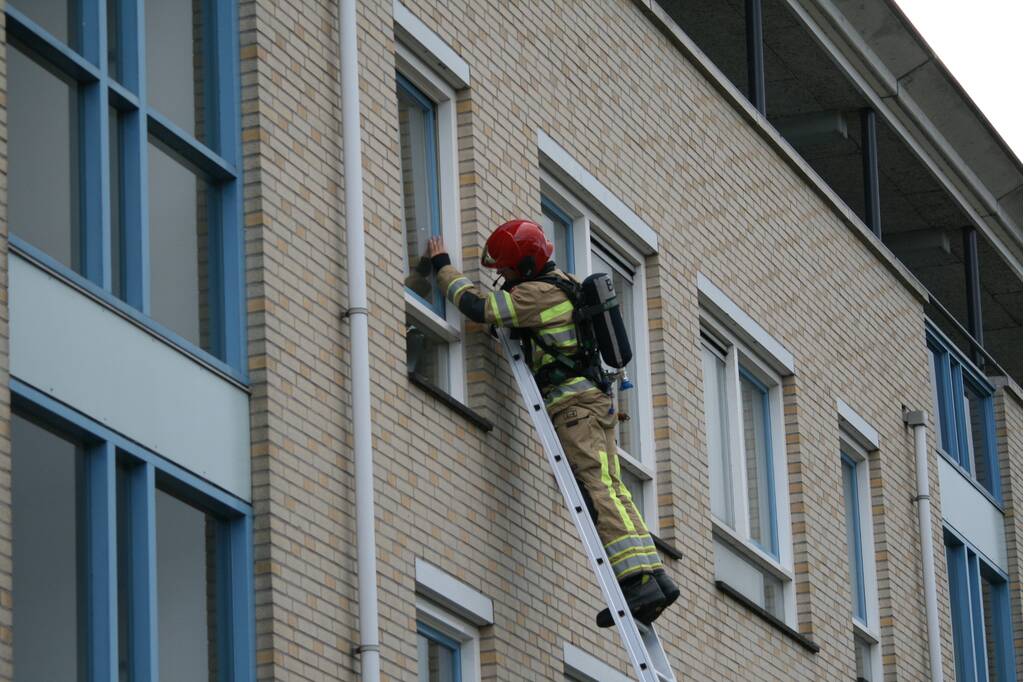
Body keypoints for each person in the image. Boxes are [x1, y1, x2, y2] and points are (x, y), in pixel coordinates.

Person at [425, 219, 679, 627]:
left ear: (524, 267)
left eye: (506, 270)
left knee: (598, 487)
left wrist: (442, 267)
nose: (502, 277)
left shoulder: (536, 294)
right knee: (612, 485)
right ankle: (653, 575)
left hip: (574, 407)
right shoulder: (565, 283)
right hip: (595, 402)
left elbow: (479, 307)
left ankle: (634, 579)